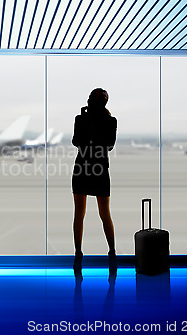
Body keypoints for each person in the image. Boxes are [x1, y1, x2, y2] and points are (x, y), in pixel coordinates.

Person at [72, 88, 117, 271]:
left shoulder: (106, 120)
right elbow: (77, 141)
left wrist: (90, 126)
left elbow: (108, 144)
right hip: (94, 167)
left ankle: (85, 253)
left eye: (92, 98)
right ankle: (105, 253)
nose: (89, 100)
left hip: (86, 166)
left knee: (94, 213)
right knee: (95, 213)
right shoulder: (85, 119)